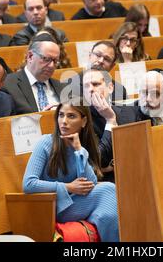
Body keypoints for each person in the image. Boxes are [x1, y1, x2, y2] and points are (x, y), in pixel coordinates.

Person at [23, 100, 119, 242]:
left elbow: (89, 184)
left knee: (108, 212)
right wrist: (68, 187)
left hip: (74, 204)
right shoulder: (45, 143)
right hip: (52, 206)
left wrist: (79, 150)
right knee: (109, 189)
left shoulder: (81, 148)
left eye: (71, 116)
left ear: (84, 121)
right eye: (61, 115)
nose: (64, 121)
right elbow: (28, 184)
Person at [81, 69, 137, 182]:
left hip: (133, 175)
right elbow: (97, 160)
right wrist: (110, 121)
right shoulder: (81, 120)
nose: (91, 89)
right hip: (102, 183)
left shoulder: (130, 112)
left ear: (110, 87)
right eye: (86, 86)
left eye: (96, 84)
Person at [2, 39, 65, 114]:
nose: (51, 66)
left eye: (55, 61)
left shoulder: (63, 87)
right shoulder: (7, 84)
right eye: (46, 59)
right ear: (30, 56)